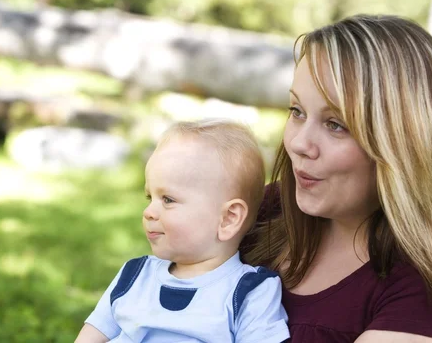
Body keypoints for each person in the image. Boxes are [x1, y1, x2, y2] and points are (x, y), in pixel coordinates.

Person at [242, 14, 432, 343]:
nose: (299, 144)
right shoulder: (265, 209)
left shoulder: (417, 290)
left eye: (336, 125)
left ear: (402, 143)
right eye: (297, 111)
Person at [75, 119, 290, 342]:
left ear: (228, 218)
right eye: (150, 197)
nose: (149, 211)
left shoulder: (249, 292)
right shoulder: (135, 276)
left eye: (167, 199)